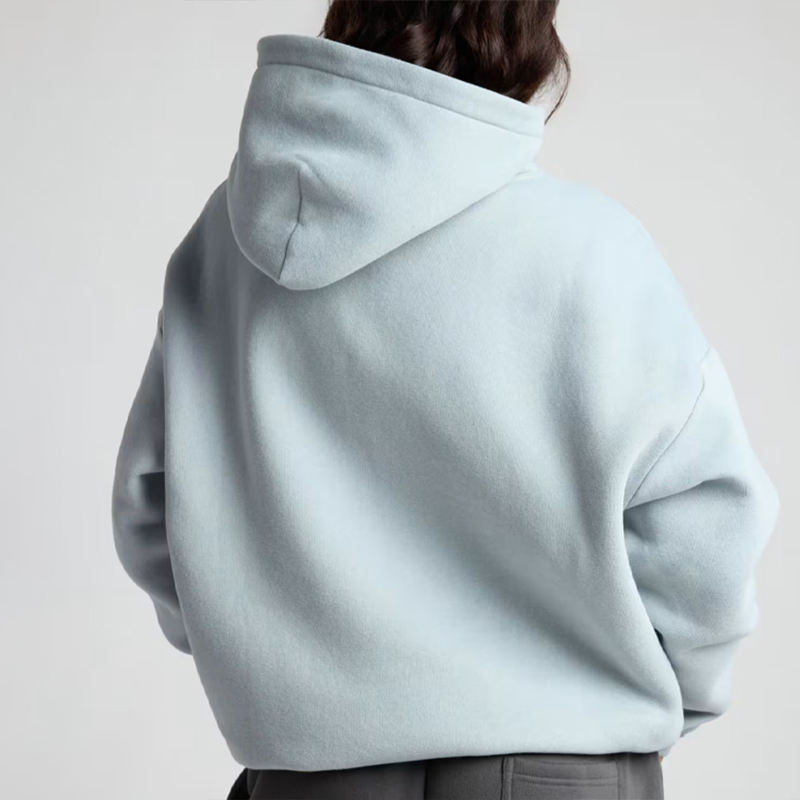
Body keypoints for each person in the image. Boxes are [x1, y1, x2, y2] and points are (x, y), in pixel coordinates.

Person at [111, 2, 780, 798]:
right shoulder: (589, 248)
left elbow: (154, 509)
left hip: (304, 780)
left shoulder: (221, 246)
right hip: (555, 770)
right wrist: (663, 698)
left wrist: (281, 664)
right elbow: (704, 530)